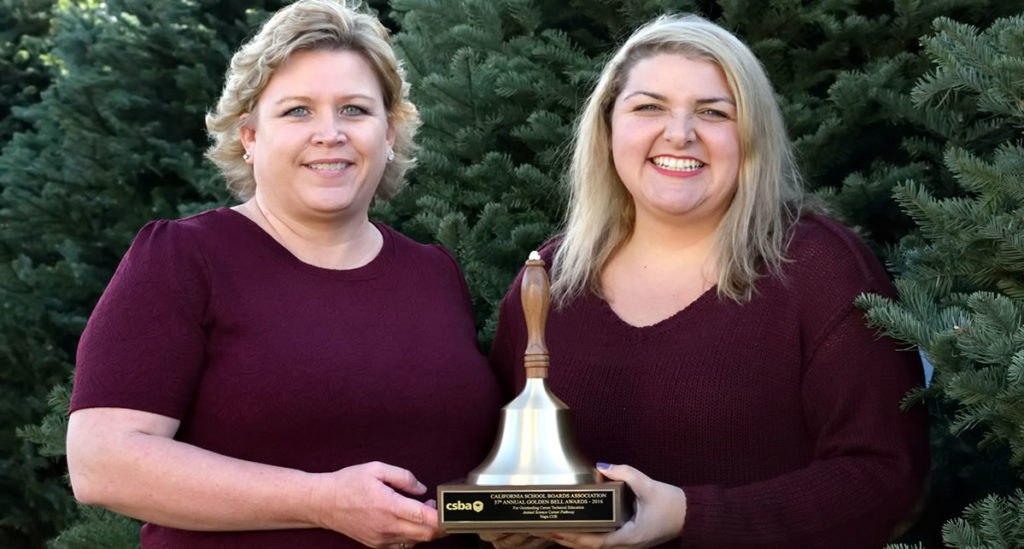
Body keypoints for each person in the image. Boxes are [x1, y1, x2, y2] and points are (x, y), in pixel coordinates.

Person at [65, 1, 502, 547]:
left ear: (389, 132)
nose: (329, 133)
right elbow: (103, 463)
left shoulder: (434, 273)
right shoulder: (183, 259)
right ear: (249, 136)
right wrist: (319, 501)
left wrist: (535, 513)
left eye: (354, 110)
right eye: (297, 111)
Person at [486, 14, 929, 549]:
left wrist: (689, 516)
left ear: (751, 137)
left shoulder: (819, 269)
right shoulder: (550, 281)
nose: (679, 133)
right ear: (607, 129)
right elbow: (492, 461)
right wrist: (505, 518)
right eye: (648, 107)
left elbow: (885, 478)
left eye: (714, 112)